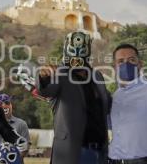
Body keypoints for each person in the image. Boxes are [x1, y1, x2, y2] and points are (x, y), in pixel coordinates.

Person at [36, 31, 111, 164]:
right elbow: (46, 90)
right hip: (71, 152)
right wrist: (43, 77)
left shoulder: (97, 76)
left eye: (82, 48)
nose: (77, 52)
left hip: (99, 151)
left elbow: (107, 104)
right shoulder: (59, 74)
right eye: (73, 48)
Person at [0, 93, 30, 163]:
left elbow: (26, 147)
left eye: (7, 102)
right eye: (0, 104)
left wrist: (13, 160)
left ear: (11, 105)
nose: (4, 105)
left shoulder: (21, 124)